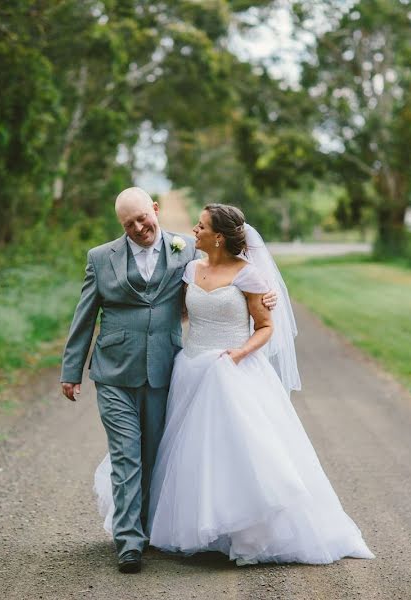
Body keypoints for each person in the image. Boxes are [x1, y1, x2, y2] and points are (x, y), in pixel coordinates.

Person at [94, 203, 374, 566]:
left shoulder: (249, 275)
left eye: (201, 226)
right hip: (191, 369)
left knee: (242, 453)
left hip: (232, 370)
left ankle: (246, 531)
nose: (193, 231)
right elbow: (174, 312)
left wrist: (240, 353)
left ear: (219, 237)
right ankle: (177, 527)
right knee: (185, 453)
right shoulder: (190, 269)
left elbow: (267, 327)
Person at [60, 189, 276, 573]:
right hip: (113, 370)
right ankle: (129, 542)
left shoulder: (188, 249)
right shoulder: (100, 257)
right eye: (129, 224)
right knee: (126, 454)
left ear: (155, 210)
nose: (139, 228)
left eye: (143, 218)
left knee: (154, 454)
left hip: (166, 367)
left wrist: (267, 293)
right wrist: (71, 371)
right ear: (121, 226)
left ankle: (148, 526)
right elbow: (85, 315)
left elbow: (233, 268)